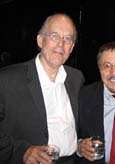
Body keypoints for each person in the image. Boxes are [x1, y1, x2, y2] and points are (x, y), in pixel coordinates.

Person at [0, 13, 85, 164]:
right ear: (40, 40)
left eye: (67, 39)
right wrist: (21, 151)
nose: (61, 44)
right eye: (54, 36)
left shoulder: (76, 78)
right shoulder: (7, 79)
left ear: (71, 48)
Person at [77, 42, 115, 164]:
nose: (114, 72)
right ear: (99, 68)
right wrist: (80, 146)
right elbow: (69, 134)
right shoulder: (83, 96)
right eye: (107, 66)